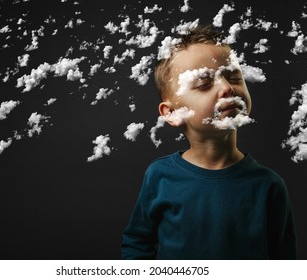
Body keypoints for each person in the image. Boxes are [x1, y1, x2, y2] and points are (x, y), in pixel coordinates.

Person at [121, 25, 297, 259]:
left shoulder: (269, 185)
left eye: (233, 76)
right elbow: (136, 244)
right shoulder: (159, 176)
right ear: (173, 113)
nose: (226, 88)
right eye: (204, 84)